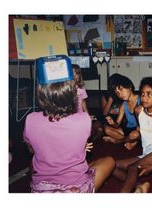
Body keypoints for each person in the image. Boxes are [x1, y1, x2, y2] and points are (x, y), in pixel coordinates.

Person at [23, 57, 115, 193]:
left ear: (41, 92)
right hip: (76, 188)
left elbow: (31, 150)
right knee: (109, 161)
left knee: (33, 161)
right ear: (72, 90)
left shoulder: (30, 119)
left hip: (42, 188)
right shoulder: (84, 120)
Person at [112, 77, 152, 192]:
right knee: (112, 165)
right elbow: (143, 132)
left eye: (149, 94)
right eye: (142, 94)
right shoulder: (138, 111)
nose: (144, 98)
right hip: (147, 153)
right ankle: (139, 186)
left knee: (133, 168)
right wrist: (133, 139)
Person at [103, 75, 141, 150]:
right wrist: (112, 123)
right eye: (117, 92)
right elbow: (117, 125)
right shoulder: (123, 105)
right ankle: (128, 140)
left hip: (139, 130)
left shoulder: (141, 100)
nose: (120, 94)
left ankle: (118, 141)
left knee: (135, 134)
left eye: (121, 89)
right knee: (106, 129)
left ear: (129, 87)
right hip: (128, 130)